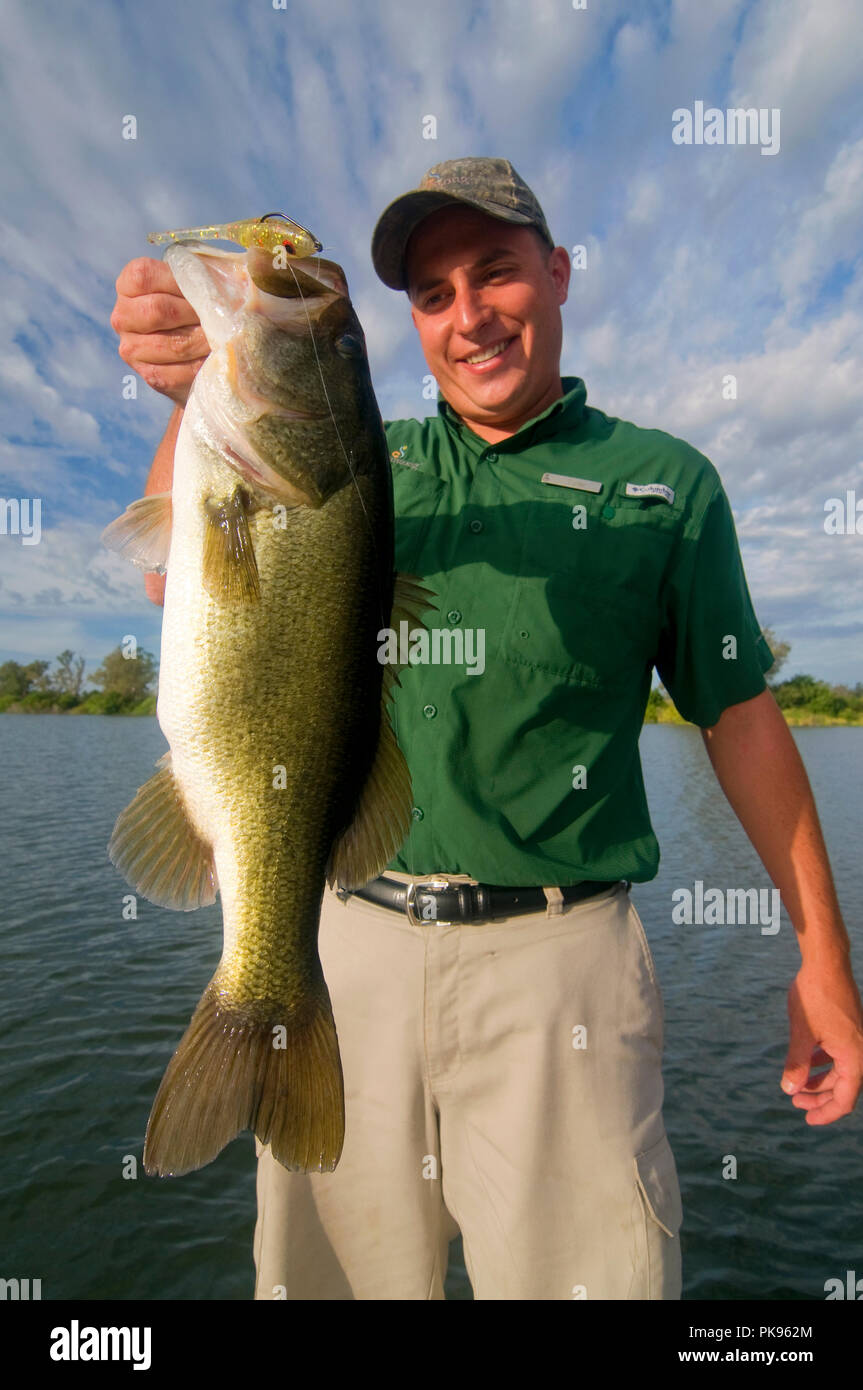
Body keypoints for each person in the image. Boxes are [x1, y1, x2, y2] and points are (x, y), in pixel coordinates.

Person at [111, 156, 863, 1301]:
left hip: (560, 966)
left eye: (495, 273)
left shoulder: (666, 485)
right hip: (338, 940)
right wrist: (187, 403)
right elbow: (192, 584)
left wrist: (822, 953)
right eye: (431, 294)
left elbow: (741, 719)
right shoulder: (372, 466)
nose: (468, 316)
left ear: (557, 275)